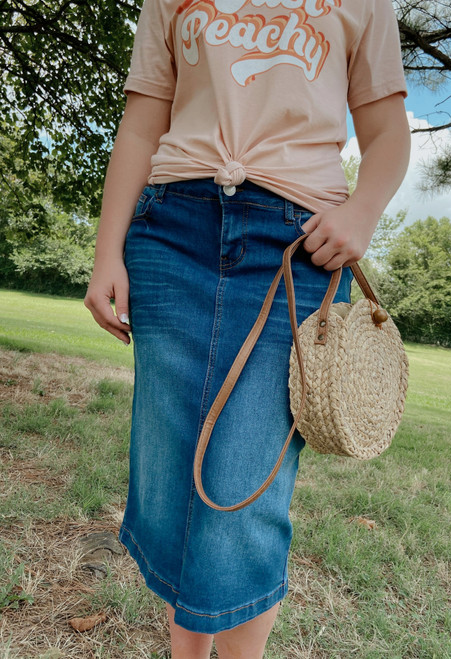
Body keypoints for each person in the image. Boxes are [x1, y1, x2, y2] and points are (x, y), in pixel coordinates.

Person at [84, 0, 410, 656]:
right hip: (172, 232)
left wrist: (362, 212)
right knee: (176, 481)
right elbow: (143, 122)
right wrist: (106, 252)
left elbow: (388, 132)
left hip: (292, 251)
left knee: (241, 491)